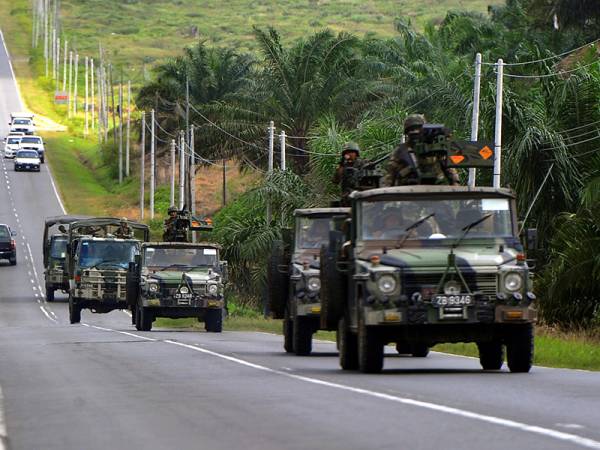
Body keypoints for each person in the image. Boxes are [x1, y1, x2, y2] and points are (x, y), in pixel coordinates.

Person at [383, 114, 460, 187]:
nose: (415, 131)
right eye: (411, 129)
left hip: (435, 191)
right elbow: (390, 174)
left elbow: (449, 168)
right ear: (407, 132)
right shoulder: (401, 151)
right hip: (408, 192)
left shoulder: (434, 146)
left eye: (418, 128)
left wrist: (455, 184)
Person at [332, 142, 366, 206]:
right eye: (346, 153)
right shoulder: (343, 166)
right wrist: (341, 166)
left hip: (361, 196)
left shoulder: (363, 164)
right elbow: (335, 181)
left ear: (356, 153)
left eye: (351, 152)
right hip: (346, 198)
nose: (349, 154)